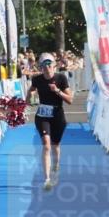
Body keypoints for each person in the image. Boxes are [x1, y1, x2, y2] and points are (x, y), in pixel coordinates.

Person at [31, 53, 73, 190]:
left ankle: (55, 166)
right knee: (47, 145)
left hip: (58, 115)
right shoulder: (36, 79)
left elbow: (70, 100)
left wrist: (57, 91)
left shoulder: (61, 78)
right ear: (41, 67)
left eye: (49, 64)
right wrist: (28, 95)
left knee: (56, 145)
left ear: (54, 65)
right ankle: (47, 179)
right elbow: (29, 93)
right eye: (44, 65)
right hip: (43, 116)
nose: (47, 67)